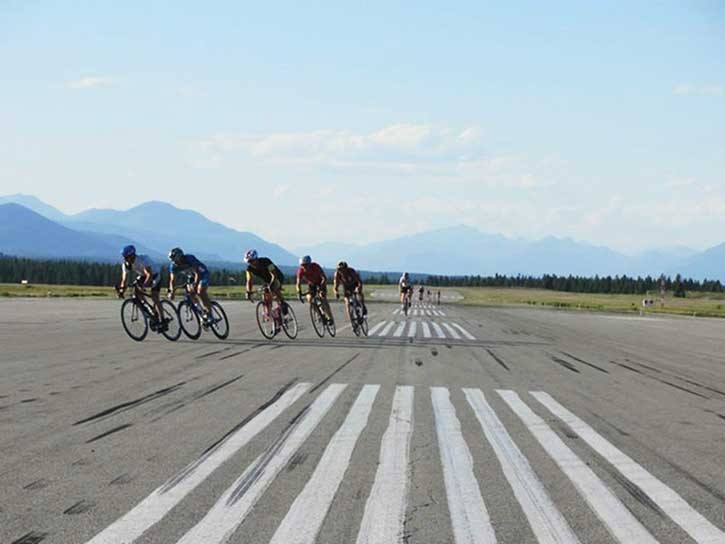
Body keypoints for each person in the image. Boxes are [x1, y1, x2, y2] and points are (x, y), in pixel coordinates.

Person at [118, 245, 166, 329]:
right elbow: (124, 280)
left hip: (154, 275)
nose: (125, 259)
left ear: (132, 255)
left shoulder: (142, 260)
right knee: (137, 292)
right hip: (143, 275)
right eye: (124, 257)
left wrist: (143, 286)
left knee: (154, 297)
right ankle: (150, 310)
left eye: (127, 257)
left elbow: (149, 274)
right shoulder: (125, 265)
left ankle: (163, 320)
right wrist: (122, 291)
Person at [167, 247, 212, 320]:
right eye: (172, 260)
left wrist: (196, 285)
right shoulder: (173, 266)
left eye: (175, 260)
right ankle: (201, 311)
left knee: (200, 291)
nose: (174, 262)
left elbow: (198, 273)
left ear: (180, 257)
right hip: (191, 276)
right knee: (190, 293)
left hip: (202, 273)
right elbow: (172, 280)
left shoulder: (189, 258)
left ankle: (209, 313)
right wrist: (171, 291)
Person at [296, 255, 333, 322]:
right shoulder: (300, 271)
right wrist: (299, 292)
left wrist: (321, 287)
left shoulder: (316, 266)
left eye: (306, 265)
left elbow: (324, 278)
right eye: (302, 265)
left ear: (310, 264)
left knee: (323, 298)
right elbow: (298, 283)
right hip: (312, 285)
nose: (304, 267)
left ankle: (330, 317)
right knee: (309, 299)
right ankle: (320, 315)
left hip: (320, 282)